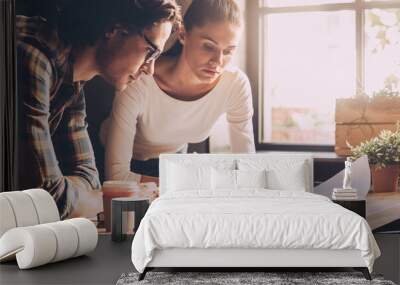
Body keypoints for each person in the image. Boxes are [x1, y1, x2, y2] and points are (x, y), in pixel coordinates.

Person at [16, 0, 181, 219]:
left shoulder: (73, 83)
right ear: (115, 28)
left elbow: (89, 179)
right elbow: (49, 198)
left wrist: (83, 196)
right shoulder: (32, 58)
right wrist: (99, 198)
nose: (150, 69)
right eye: (150, 51)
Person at [104, 0, 255, 185]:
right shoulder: (139, 81)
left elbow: (248, 167)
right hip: (126, 167)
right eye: (208, 46)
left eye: (229, 51)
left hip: (175, 164)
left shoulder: (235, 84)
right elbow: (117, 177)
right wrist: (194, 183)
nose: (218, 61)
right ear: (183, 34)